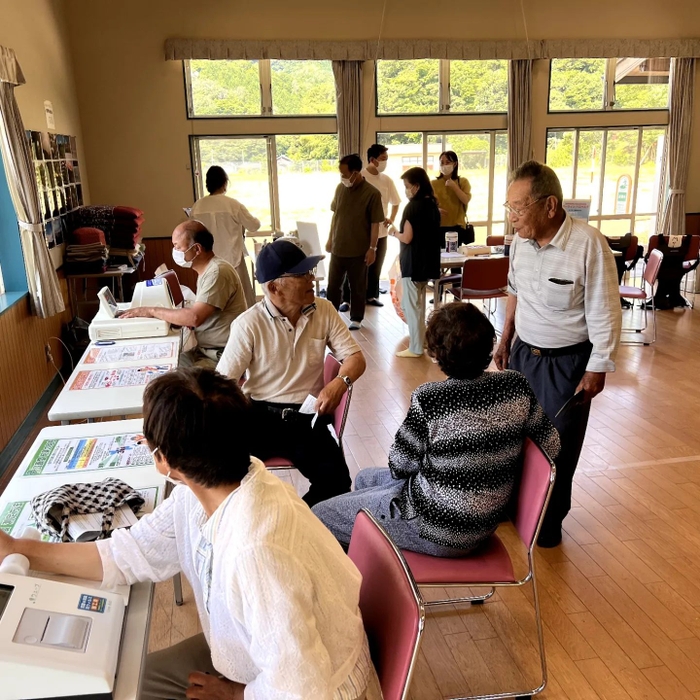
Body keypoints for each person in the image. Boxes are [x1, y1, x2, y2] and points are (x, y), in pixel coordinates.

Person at [0, 368, 373, 699]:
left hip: (318, 685)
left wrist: (237, 695)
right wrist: (19, 548)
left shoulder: (255, 549)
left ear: (164, 460)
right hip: (261, 657)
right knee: (127, 682)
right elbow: (127, 553)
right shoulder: (217, 487)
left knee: (125, 684)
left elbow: (303, 689)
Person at [312, 303, 560, 556]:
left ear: (437, 355)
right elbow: (551, 444)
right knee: (365, 479)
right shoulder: (516, 385)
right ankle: (373, 563)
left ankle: (367, 580)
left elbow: (400, 466)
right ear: (489, 344)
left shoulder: (431, 399)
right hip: (486, 522)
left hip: (436, 528)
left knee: (320, 515)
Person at [494, 160, 621, 548]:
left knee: (556, 446)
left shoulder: (588, 244)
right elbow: (515, 289)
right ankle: (514, 507)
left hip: (567, 362)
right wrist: (506, 336)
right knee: (515, 436)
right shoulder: (520, 243)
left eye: (519, 207)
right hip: (523, 355)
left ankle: (548, 522)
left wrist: (597, 367)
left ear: (549, 206)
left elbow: (605, 310)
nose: (512, 217)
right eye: (509, 207)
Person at [216, 238, 367, 507]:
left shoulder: (324, 310)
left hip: (306, 418)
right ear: (274, 287)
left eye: (310, 272)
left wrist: (338, 384)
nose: (312, 279)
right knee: (223, 478)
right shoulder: (248, 324)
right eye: (301, 274)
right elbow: (221, 383)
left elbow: (355, 358)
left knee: (337, 484)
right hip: (258, 415)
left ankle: (296, 521)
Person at [121, 220, 247, 369]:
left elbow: (194, 318)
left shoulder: (217, 272)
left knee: (176, 381)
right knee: (163, 365)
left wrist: (150, 310)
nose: (174, 251)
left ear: (197, 249)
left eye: (177, 246)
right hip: (206, 349)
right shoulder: (208, 270)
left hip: (221, 354)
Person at [326, 153, 385, 330]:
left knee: (358, 286)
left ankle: (357, 318)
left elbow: (376, 223)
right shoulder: (340, 188)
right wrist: (330, 239)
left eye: (344, 174)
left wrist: (372, 248)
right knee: (333, 285)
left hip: (359, 250)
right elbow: (336, 216)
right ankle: (331, 316)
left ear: (356, 172)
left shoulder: (372, 194)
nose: (342, 177)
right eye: (341, 174)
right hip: (338, 247)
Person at [190, 165, 261, 307]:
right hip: (233, 260)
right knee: (240, 302)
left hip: (207, 262)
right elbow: (254, 226)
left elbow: (192, 233)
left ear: (207, 184)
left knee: (209, 301)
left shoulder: (197, 207)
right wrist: (257, 219)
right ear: (224, 183)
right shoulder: (233, 205)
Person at [340, 145, 401, 311]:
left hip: (381, 232)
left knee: (376, 266)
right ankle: (346, 299)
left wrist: (391, 218)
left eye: (386, 158)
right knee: (355, 267)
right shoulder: (360, 177)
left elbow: (396, 202)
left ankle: (371, 295)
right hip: (360, 233)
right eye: (383, 158)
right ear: (372, 160)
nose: (385, 162)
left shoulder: (386, 180)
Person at [390, 167, 441, 358]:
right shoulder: (433, 205)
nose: (406, 190)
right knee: (418, 306)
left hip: (412, 264)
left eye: (407, 186)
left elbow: (407, 238)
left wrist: (394, 232)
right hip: (427, 264)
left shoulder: (412, 207)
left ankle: (416, 348)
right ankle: (423, 342)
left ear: (416, 186)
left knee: (411, 307)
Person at [431, 150, 473, 248]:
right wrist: (435, 210)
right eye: (442, 162)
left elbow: (465, 200)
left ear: (455, 164)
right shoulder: (433, 183)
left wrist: (454, 187)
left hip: (456, 226)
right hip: (438, 226)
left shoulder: (463, 182)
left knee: (455, 256)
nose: (444, 165)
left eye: (448, 162)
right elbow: (427, 204)